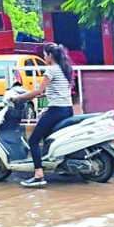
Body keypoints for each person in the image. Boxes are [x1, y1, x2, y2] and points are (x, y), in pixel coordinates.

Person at [15, 43, 75, 187]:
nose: (44, 57)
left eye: (44, 54)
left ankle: (38, 175)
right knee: (49, 138)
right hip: (67, 110)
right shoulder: (64, 69)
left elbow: (39, 91)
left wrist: (19, 98)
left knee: (34, 141)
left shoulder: (51, 70)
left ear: (50, 56)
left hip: (57, 111)